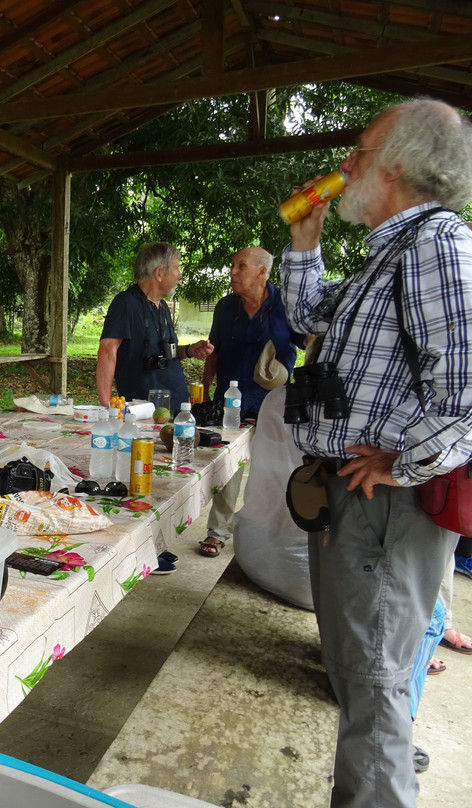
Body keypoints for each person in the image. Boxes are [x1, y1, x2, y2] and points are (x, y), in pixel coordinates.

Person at [282, 99, 472, 808]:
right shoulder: (391, 251)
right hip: (352, 502)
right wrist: (305, 245)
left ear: (398, 165)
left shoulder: (438, 245)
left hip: (385, 506)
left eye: (359, 150)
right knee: (358, 676)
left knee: (376, 692)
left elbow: (467, 386)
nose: (346, 165)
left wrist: (402, 459)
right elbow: (310, 319)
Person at [197, 247, 303, 557]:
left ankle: (266, 535)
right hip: (229, 404)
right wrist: (203, 391)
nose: (232, 272)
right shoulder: (226, 307)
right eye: (232, 266)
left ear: (262, 272)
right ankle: (217, 532)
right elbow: (213, 352)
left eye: (240, 266)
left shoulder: (286, 305)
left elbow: (308, 343)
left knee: (270, 472)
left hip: (272, 405)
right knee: (228, 470)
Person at [96, 242, 212, 412]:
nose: (179, 275)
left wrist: (188, 351)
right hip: (144, 410)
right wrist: (107, 406)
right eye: (176, 268)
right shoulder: (126, 303)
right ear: (159, 273)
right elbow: (107, 351)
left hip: (177, 405)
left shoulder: (163, 306)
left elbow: (161, 350)